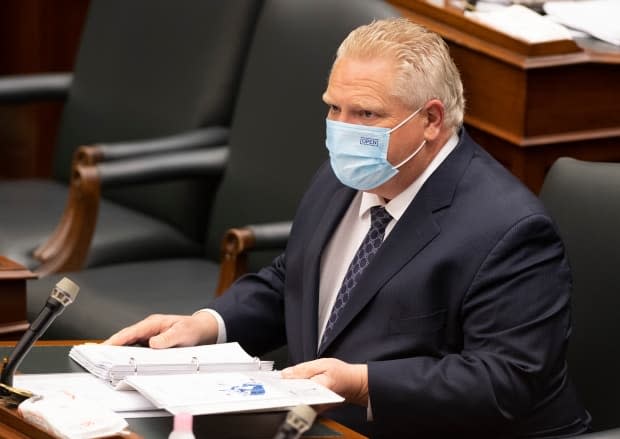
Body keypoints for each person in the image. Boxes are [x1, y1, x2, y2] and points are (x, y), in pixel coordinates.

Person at [105, 18, 591, 437]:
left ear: (431, 120)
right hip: (327, 422)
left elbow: (504, 380)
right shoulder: (350, 171)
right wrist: (208, 325)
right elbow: (293, 280)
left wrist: (362, 382)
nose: (341, 129)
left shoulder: (510, 230)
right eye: (333, 108)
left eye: (365, 114)